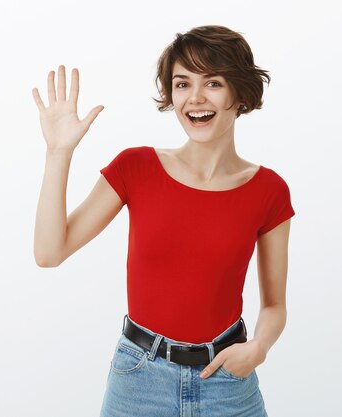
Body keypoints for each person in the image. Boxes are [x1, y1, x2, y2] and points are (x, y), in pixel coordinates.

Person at [32, 25, 295, 416]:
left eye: (213, 83)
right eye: (182, 84)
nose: (195, 98)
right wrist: (58, 153)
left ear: (239, 93)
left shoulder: (269, 191)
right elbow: (49, 252)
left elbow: (274, 305)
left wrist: (258, 349)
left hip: (227, 381)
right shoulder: (135, 168)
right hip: (138, 381)